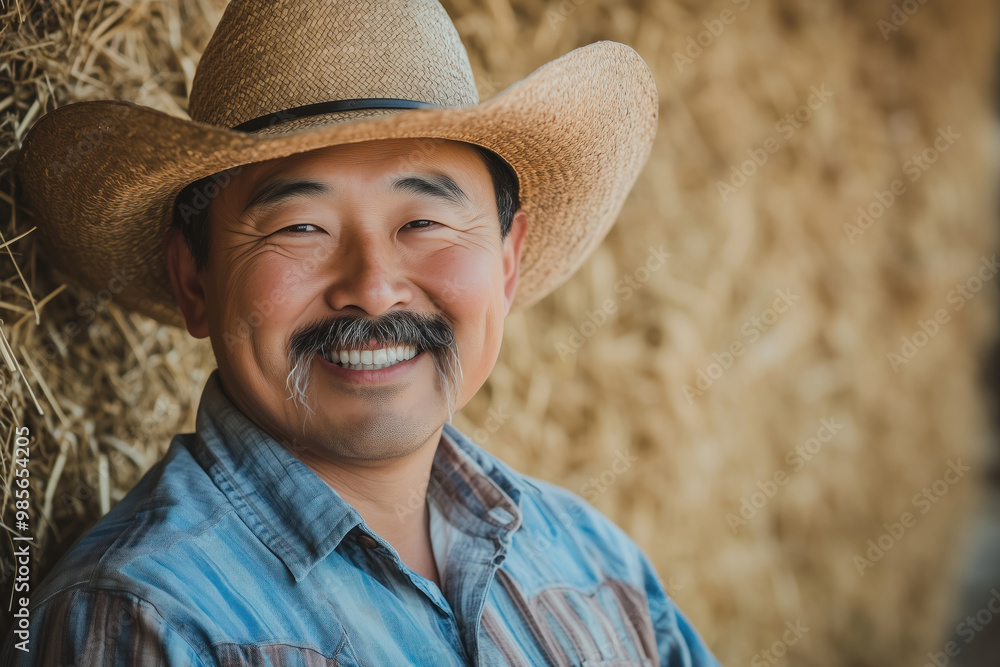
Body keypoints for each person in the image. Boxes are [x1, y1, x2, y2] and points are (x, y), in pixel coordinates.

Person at [3, 0, 720, 664]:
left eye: (424, 222)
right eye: (300, 227)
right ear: (196, 280)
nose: (374, 288)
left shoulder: (601, 572)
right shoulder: (153, 620)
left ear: (506, 265)